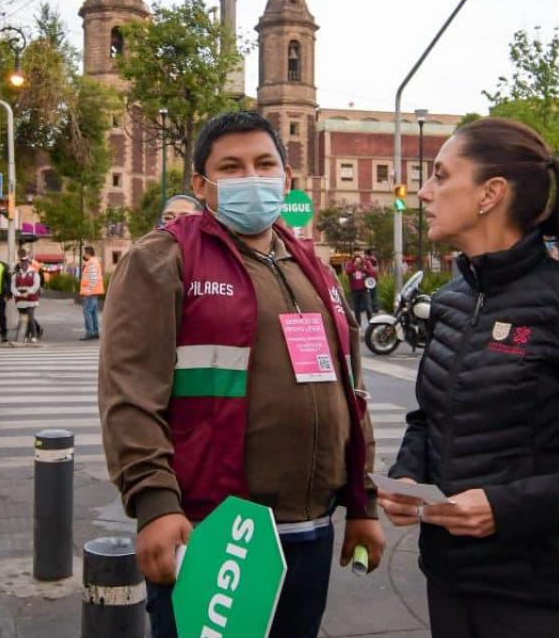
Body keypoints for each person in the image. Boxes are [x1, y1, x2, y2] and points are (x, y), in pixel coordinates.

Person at [100, 111, 384, 638]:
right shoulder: (163, 259)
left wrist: (361, 502)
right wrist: (154, 502)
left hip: (310, 530)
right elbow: (130, 394)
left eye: (264, 164)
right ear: (201, 184)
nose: (251, 178)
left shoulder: (313, 268)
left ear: (287, 178)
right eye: (231, 167)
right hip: (215, 534)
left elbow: (351, 387)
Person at [378, 117, 559, 638]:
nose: (423, 191)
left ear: (491, 193)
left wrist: (503, 508)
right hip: (449, 580)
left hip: (540, 593)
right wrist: (409, 476)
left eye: (440, 176)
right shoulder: (450, 301)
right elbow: (427, 418)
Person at [11, 255, 42, 344]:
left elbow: (36, 285)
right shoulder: (16, 275)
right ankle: (25, 335)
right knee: (23, 319)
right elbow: (13, 288)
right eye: (22, 262)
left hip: (31, 300)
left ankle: (34, 335)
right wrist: (19, 294)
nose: (24, 264)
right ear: (20, 263)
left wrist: (28, 292)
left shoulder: (34, 273)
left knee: (30, 317)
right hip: (20, 301)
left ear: (28, 263)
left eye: (25, 262)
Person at [79, 246, 104, 341]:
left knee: (87, 311)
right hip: (94, 291)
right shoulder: (93, 262)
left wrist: (89, 291)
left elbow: (93, 278)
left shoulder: (91, 263)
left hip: (90, 292)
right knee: (93, 312)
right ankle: (95, 332)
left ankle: (90, 332)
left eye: (84, 253)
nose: (84, 255)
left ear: (88, 253)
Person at [344, 252, 376, 323]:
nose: (358, 255)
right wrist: (354, 266)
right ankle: (359, 326)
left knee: (368, 308)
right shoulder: (350, 263)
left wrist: (364, 269)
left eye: (360, 254)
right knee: (356, 309)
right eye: (356, 254)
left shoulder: (367, 263)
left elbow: (373, 273)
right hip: (354, 289)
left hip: (365, 289)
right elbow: (347, 272)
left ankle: (371, 325)